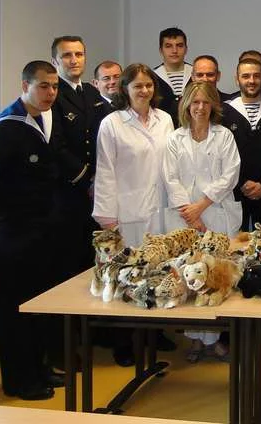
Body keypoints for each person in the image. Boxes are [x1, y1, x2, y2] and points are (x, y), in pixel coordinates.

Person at [0, 61, 66, 401]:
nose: (50, 93)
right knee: (16, 310)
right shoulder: (5, 128)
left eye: (54, 86)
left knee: (38, 305)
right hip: (14, 233)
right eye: (43, 86)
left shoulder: (39, 120)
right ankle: (20, 380)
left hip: (40, 230)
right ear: (25, 85)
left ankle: (39, 369)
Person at [92, 63, 175, 366]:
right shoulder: (112, 124)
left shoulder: (165, 119)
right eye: (137, 86)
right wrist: (107, 219)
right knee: (128, 276)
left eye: (149, 85)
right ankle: (123, 342)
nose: (144, 91)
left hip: (160, 209)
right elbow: (105, 172)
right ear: (124, 89)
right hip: (126, 213)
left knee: (157, 272)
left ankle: (154, 334)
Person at [162, 80, 241, 363]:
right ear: (186, 105)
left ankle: (215, 339)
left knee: (215, 277)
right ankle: (195, 339)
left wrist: (201, 206)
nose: (200, 107)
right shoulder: (175, 138)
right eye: (195, 102)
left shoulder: (224, 137)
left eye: (205, 102)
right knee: (191, 276)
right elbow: (170, 177)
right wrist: (190, 213)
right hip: (184, 218)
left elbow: (230, 174)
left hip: (215, 212)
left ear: (213, 106)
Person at [50, 36, 110, 283]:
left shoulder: (92, 92)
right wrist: (87, 179)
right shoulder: (53, 94)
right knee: (72, 264)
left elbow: (104, 138)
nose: (74, 60)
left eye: (79, 54)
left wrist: (102, 179)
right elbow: (56, 145)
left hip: (98, 191)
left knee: (95, 261)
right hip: (71, 191)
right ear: (55, 61)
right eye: (67, 55)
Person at [222, 57, 261, 229]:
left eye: (256, 76)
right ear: (237, 79)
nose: (251, 81)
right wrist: (241, 182)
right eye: (245, 76)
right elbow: (220, 155)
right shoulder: (224, 112)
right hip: (234, 192)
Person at [153, 27, 191, 125]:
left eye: (179, 45)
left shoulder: (196, 74)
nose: (174, 50)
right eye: (168, 46)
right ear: (161, 50)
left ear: (186, 49)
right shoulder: (151, 77)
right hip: (162, 131)